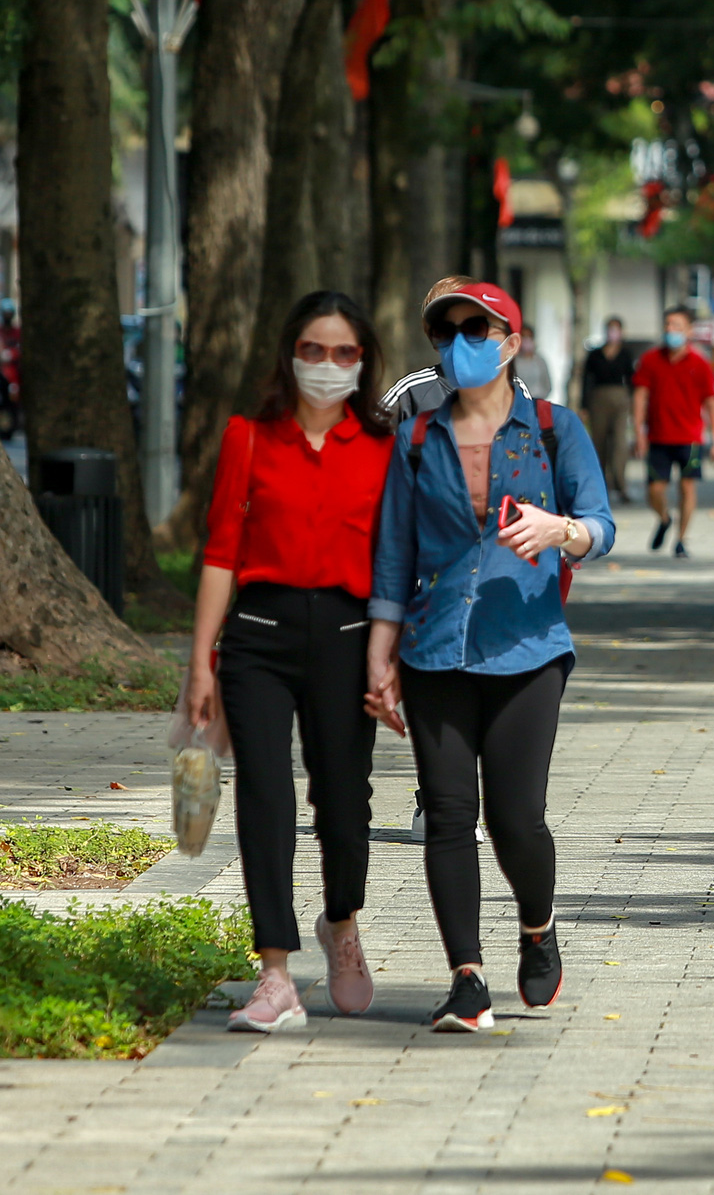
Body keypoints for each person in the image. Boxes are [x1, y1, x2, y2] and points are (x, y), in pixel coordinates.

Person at [364, 281, 614, 1033]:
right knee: (447, 814)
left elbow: (602, 526)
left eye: (479, 327)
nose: (462, 341)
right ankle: (465, 978)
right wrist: (380, 658)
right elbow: (391, 555)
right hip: (434, 648)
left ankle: (537, 926)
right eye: (449, 330)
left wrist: (559, 528)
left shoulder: (554, 428)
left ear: (511, 340)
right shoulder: (416, 438)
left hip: (528, 645)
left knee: (515, 818)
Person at [187, 290, 394, 1032]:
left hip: (347, 634)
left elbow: (395, 562)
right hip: (258, 637)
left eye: (344, 352)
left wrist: (391, 655)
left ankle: (341, 922)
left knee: (343, 801)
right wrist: (200, 665)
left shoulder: (382, 445)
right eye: (314, 349)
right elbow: (219, 553)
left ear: (363, 362)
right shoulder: (250, 436)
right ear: (289, 354)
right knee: (265, 797)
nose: (328, 365)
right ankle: (273, 972)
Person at [632, 305, 714, 557]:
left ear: (689, 330)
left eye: (677, 326)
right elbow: (640, 398)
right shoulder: (650, 360)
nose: (671, 330)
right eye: (668, 325)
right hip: (658, 436)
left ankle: (682, 539)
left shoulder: (700, 364)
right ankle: (664, 518)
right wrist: (638, 433)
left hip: (690, 437)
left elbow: (712, 405)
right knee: (655, 489)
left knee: (687, 488)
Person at [382, 276, 533, 423]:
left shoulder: (514, 390)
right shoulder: (410, 394)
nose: (459, 340)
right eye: (444, 331)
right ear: (433, 339)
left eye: (475, 328)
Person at [582, 317, 637, 502]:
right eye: (610, 329)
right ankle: (599, 485)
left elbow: (632, 381)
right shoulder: (595, 354)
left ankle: (620, 483)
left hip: (620, 399)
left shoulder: (626, 354)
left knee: (620, 443)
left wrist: (634, 404)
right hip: (598, 399)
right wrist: (584, 406)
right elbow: (586, 380)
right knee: (598, 443)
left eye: (616, 329)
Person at [513, 323, 553, 400]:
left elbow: (547, 385)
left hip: (537, 400)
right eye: (524, 337)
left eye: (529, 337)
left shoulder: (540, 361)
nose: (526, 340)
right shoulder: (514, 362)